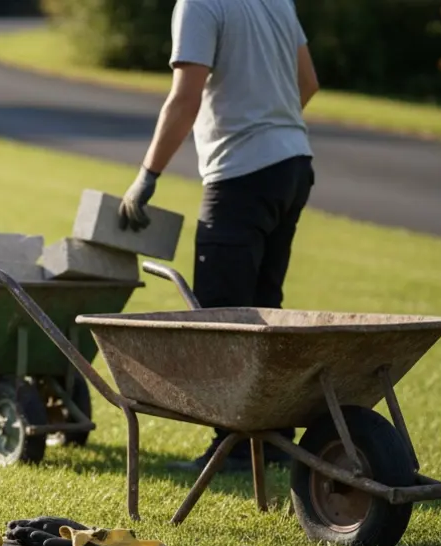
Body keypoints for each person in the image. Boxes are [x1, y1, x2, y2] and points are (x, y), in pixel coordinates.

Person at [117, 0, 321, 473]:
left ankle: (234, 443)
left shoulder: (198, 4)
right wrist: (270, 125)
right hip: (294, 164)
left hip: (242, 175)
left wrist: (147, 175)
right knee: (263, 304)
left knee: (220, 312)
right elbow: (307, 83)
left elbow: (185, 98)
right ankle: (270, 439)